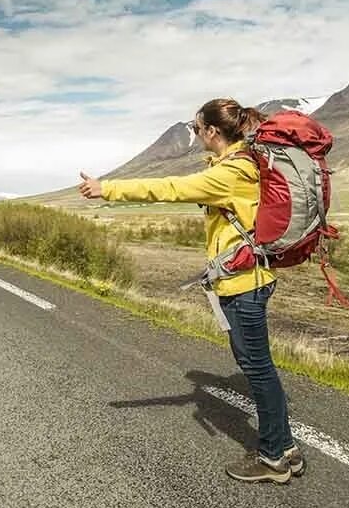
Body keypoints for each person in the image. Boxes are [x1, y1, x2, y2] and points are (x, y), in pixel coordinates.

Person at [78, 98, 303, 484]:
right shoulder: (236, 164)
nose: (195, 133)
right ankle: (285, 450)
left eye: (196, 127)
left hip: (245, 286)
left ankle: (274, 459)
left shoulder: (232, 173)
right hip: (247, 280)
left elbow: (170, 187)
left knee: (258, 370)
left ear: (212, 131)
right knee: (259, 368)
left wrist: (107, 189)